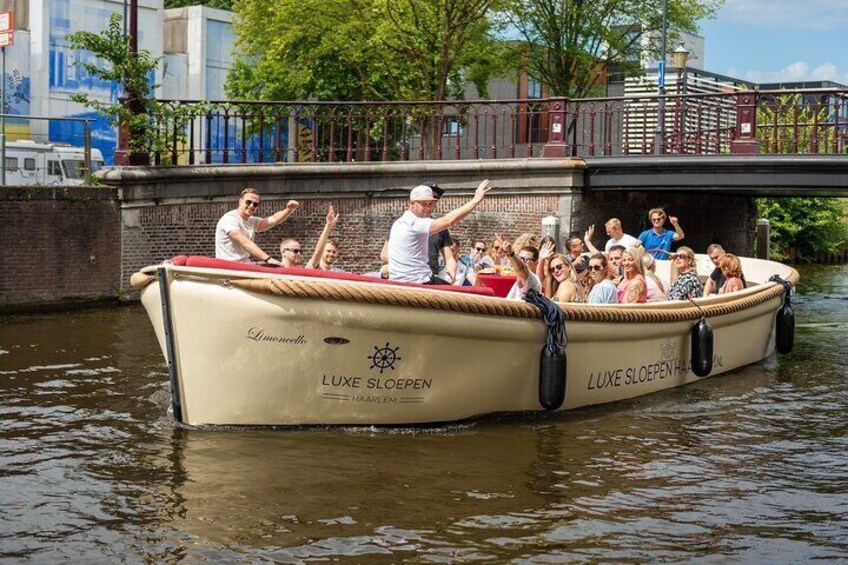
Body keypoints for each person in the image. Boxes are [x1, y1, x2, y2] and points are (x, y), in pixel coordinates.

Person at [387, 180, 492, 284]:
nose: (428, 208)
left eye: (431, 203)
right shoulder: (415, 223)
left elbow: (449, 257)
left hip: (404, 280)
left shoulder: (399, 222)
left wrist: (451, 269)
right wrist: (475, 200)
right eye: (424, 204)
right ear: (412, 203)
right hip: (419, 282)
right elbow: (449, 220)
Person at [215, 188, 299, 265]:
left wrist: (288, 210)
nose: (251, 206)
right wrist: (268, 259)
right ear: (240, 201)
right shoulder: (230, 219)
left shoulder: (251, 221)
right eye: (248, 202)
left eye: (255, 204)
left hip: (244, 266)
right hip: (227, 268)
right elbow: (245, 242)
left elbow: (273, 220)